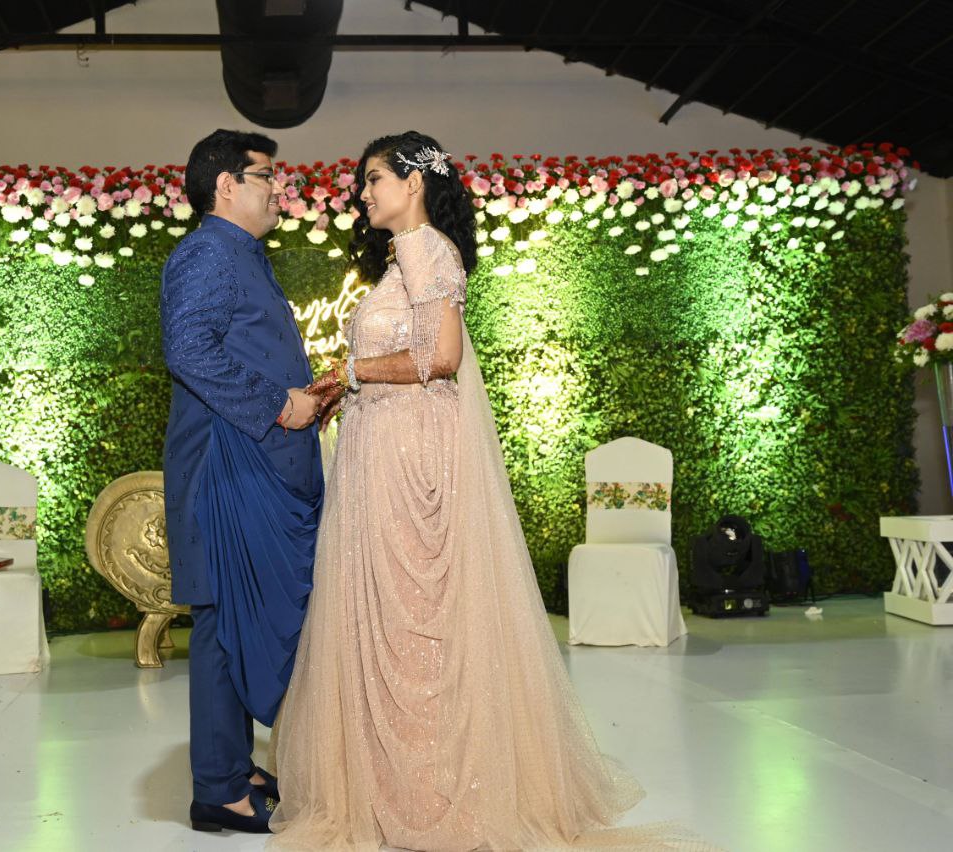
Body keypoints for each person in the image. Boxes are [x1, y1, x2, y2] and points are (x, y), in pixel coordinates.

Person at [270, 132, 712, 850]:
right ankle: (402, 774)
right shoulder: (406, 257)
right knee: (397, 608)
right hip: (385, 445)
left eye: (375, 178)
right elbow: (411, 353)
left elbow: (438, 360)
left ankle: (429, 784)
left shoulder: (425, 248)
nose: (364, 192)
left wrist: (353, 376)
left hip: (408, 457)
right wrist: (343, 386)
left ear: (413, 183)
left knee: (413, 611)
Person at [161, 129, 326, 834]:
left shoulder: (239, 256)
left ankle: (230, 762)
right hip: (229, 469)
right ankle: (218, 789)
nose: (277, 190)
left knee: (233, 621)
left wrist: (305, 393)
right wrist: (279, 405)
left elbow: (240, 346)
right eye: (265, 177)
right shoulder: (207, 252)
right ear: (226, 185)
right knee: (225, 623)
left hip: (253, 460)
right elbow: (188, 350)